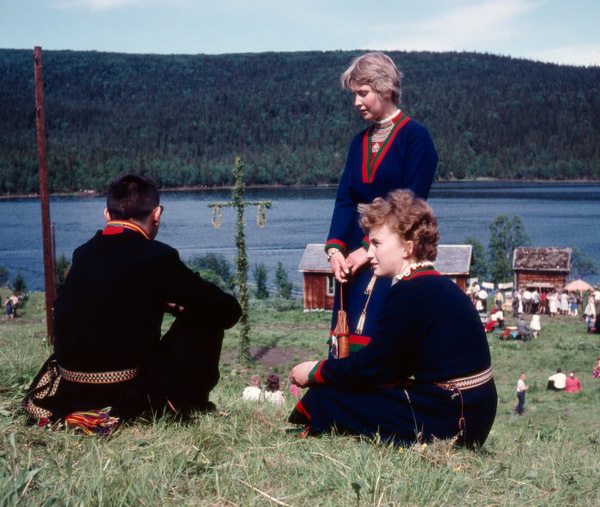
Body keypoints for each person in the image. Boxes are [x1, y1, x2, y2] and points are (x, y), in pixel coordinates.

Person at [22, 174, 242, 426]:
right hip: (126, 394)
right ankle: (187, 402)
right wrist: (179, 307)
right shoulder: (159, 257)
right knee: (207, 314)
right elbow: (228, 310)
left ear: (107, 215)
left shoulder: (82, 254)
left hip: (71, 390)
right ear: (156, 214)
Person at [289, 190, 497, 447]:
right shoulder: (433, 284)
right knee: (350, 391)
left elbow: (370, 368)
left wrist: (315, 370)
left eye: (376, 243)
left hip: (454, 417)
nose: (370, 252)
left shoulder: (411, 291)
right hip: (471, 410)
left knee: (328, 395)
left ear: (407, 248)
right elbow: (389, 365)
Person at [325, 52, 438, 360]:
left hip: (393, 247)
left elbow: (410, 204)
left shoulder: (416, 137)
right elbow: (345, 199)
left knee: (376, 327)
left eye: (363, 93)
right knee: (346, 325)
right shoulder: (358, 142)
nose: (357, 102)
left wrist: (369, 249)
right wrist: (335, 251)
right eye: (355, 94)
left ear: (386, 90)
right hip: (352, 245)